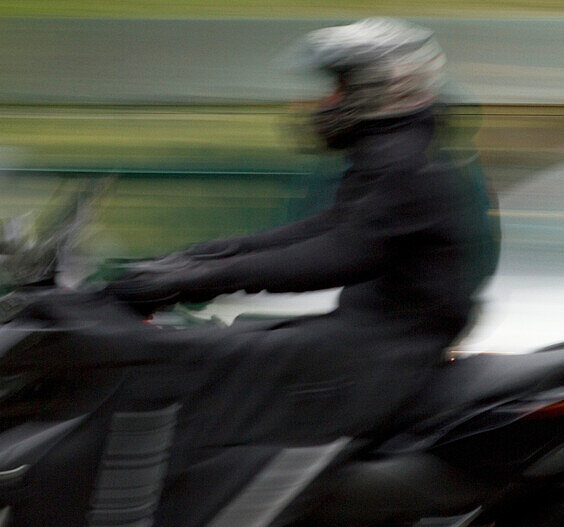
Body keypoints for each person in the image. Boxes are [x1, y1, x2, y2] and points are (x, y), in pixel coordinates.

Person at [104, 17, 499, 447]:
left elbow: (337, 254)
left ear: (380, 89)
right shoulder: (401, 154)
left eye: (336, 89)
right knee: (212, 346)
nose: (319, 103)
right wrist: (199, 257)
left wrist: (197, 278)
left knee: (199, 365)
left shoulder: (408, 165)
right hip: (378, 339)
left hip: (384, 351)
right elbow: (325, 227)